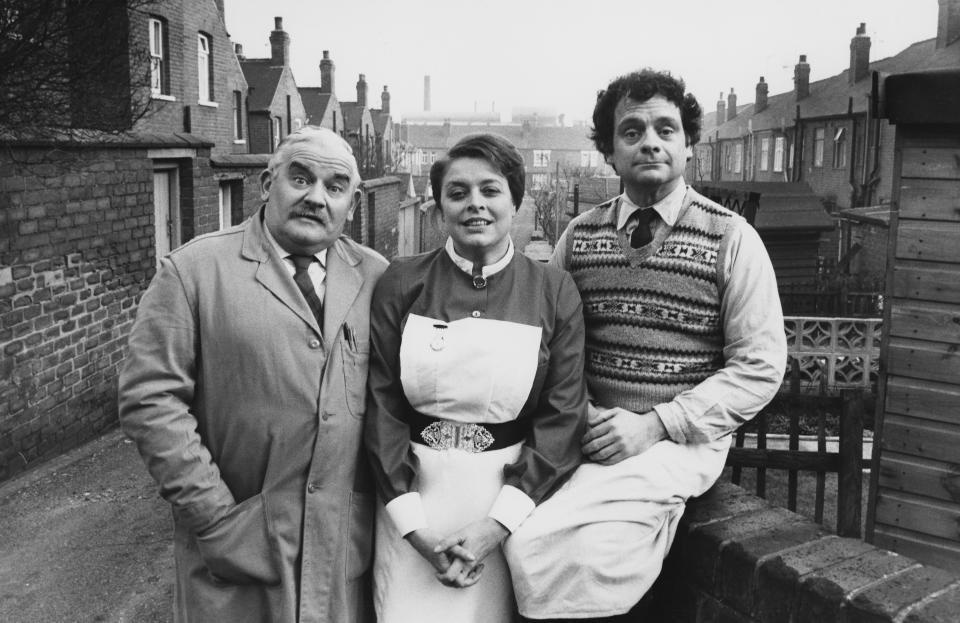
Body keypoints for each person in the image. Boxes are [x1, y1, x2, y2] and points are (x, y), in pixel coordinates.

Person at [504, 69, 788, 621]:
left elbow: (760, 366)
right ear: (609, 152)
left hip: (678, 442)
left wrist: (655, 424)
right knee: (519, 534)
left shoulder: (732, 238)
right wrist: (577, 410)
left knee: (586, 557)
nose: (650, 141)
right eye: (631, 132)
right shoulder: (579, 237)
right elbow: (549, 343)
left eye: (666, 128)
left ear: (688, 145)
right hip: (589, 432)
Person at [119, 126, 387, 623]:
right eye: (300, 178)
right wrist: (216, 517)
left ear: (352, 202)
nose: (316, 198)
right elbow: (150, 400)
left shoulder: (377, 277)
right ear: (267, 184)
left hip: (342, 548)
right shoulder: (193, 270)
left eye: (335, 186)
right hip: (235, 546)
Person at [363, 133, 588, 622]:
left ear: (515, 199)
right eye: (458, 193)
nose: (475, 205)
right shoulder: (402, 281)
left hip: (508, 506)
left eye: (490, 190)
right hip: (412, 502)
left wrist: (498, 525)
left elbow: (563, 415)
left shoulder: (552, 289)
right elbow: (380, 405)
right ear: (440, 204)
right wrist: (412, 524)